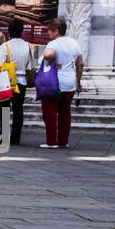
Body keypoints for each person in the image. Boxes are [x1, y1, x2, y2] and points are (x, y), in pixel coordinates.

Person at [39, 17, 84, 148]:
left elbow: (47, 55)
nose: (49, 34)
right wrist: (78, 81)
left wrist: (52, 60)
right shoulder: (74, 43)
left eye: (50, 31)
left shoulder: (54, 44)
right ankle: (64, 141)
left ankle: (52, 141)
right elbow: (80, 63)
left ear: (56, 31)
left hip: (54, 82)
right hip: (69, 82)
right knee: (65, 112)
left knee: (50, 112)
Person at [0, 20, 34, 146]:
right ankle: (16, 137)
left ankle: (4, 136)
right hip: (22, 79)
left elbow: (0, 63)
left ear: (9, 31)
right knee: (18, 109)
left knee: (4, 109)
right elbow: (29, 63)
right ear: (22, 31)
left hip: (7, 80)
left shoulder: (5, 46)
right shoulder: (28, 45)